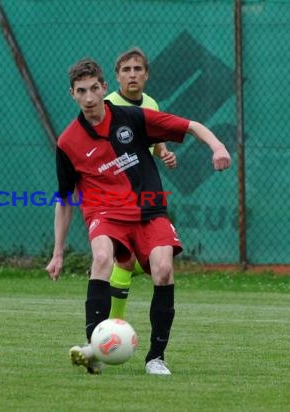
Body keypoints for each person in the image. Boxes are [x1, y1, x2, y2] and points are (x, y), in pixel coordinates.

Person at [46, 58, 230, 375]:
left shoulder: (131, 117)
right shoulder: (67, 142)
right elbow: (64, 199)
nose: (89, 98)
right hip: (105, 212)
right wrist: (57, 252)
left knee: (162, 270)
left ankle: (156, 357)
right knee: (102, 257)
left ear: (104, 88)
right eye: (81, 91)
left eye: (93, 89)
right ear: (72, 94)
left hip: (148, 209)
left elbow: (190, 126)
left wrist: (218, 147)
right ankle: (94, 347)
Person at [104, 47, 176, 321]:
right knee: (124, 258)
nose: (132, 75)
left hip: (145, 193)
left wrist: (165, 153)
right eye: (126, 70)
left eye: (137, 70)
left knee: (133, 261)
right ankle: (113, 324)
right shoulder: (108, 104)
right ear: (117, 77)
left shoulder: (151, 104)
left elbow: (155, 142)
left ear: (146, 75)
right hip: (115, 194)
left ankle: (113, 324)